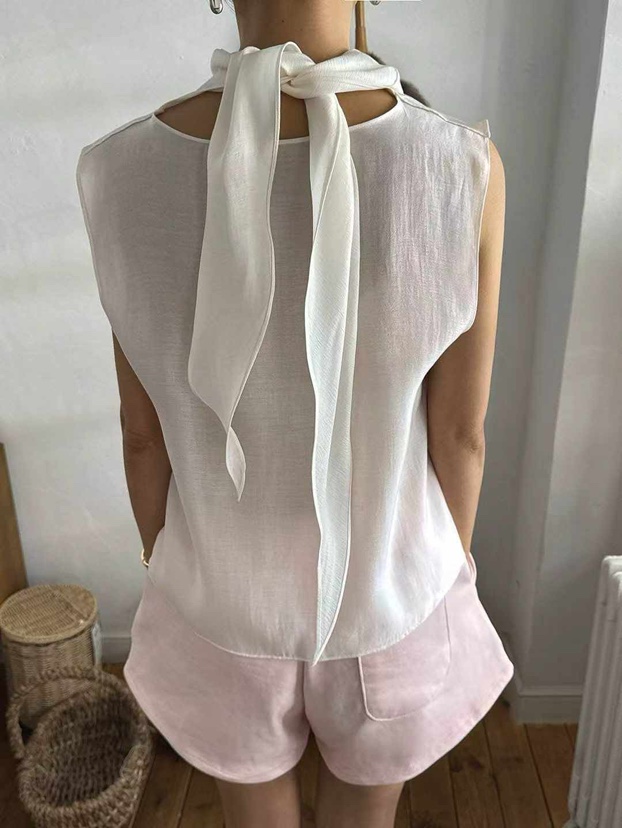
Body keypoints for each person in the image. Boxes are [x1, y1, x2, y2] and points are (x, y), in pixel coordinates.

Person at [76, 1, 510, 826]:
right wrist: (434, 575)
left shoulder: (119, 172)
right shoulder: (462, 167)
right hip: (392, 596)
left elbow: (142, 438)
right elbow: (462, 437)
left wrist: (169, 565)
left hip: (220, 597)